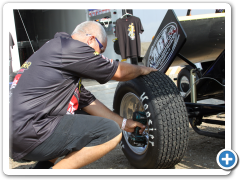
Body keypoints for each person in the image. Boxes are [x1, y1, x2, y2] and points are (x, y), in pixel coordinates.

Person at [9, 21, 157, 169]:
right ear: (91, 39)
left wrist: (125, 123)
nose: (99, 55)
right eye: (101, 49)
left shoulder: (59, 49)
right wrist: (142, 69)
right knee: (110, 132)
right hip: (28, 133)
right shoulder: (71, 47)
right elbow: (120, 71)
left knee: (73, 115)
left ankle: (40, 169)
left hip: (15, 134)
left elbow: (88, 102)